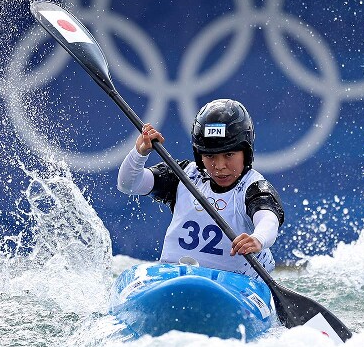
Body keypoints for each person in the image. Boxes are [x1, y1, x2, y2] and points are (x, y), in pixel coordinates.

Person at [117, 99, 284, 277]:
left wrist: (258, 239)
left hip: (236, 284)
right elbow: (128, 185)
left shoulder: (254, 187)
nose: (219, 166)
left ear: (246, 152)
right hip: (174, 276)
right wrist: (139, 153)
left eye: (229, 154)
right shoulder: (182, 175)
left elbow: (268, 220)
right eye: (210, 156)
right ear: (199, 155)